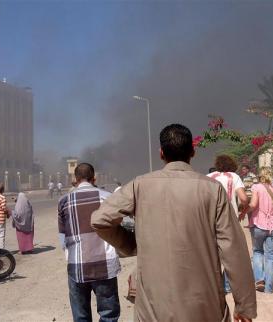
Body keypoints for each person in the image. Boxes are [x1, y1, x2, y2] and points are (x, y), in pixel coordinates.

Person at [91, 124, 256, 322]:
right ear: (192, 152)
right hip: (204, 304)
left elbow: (100, 220)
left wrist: (132, 243)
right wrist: (244, 306)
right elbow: (233, 250)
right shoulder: (213, 190)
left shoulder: (140, 185)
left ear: (161, 153)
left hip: (153, 305)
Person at [58, 163, 121, 322]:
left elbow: (62, 239)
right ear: (94, 178)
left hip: (77, 265)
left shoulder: (64, 201)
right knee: (109, 315)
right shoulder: (108, 197)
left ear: (75, 179)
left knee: (81, 316)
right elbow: (118, 229)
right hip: (105, 265)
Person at [207, 154, 249, 293]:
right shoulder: (233, 177)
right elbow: (243, 198)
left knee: (213, 253)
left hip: (210, 220)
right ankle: (226, 285)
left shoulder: (209, 177)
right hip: (229, 220)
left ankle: (214, 286)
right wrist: (243, 210)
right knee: (231, 254)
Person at [247, 167, 273, 293]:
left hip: (258, 224)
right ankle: (269, 288)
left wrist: (245, 210)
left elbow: (253, 204)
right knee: (271, 256)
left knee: (257, 251)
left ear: (259, 175)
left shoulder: (256, 187)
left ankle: (260, 280)